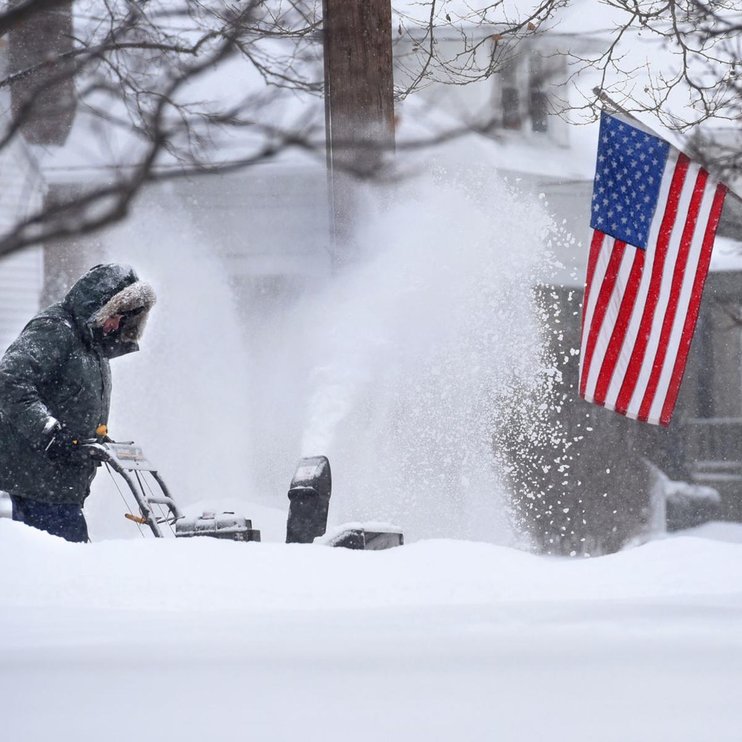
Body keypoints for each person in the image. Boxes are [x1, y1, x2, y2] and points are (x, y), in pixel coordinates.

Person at [0, 263, 156, 542]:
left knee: (65, 561)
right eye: (116, 316)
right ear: (99, 305)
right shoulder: (55, 329)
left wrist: (94, 441)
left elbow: (73, 400)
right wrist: (48, 433)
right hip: (38, 478)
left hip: (61, 483)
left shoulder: (91, 344)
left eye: (124, 320)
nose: (116, 326)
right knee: (63, 562)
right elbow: (10, 381)